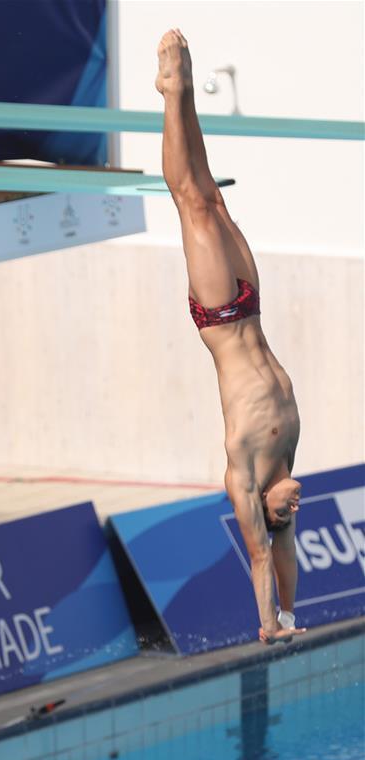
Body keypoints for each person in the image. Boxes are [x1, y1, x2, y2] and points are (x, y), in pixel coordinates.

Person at [155, 30, 306, 644]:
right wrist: (296, 616)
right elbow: (289, 554)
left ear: (263, 510)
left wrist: (269, 624)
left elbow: (266, 559)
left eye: (286, 512)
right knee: (212, 194)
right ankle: (185, 90)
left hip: (220, 317)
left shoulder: (244, 476)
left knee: (190, 202)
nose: (295, 505)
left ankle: (170, 95)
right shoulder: (287, 462)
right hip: (253, 307)